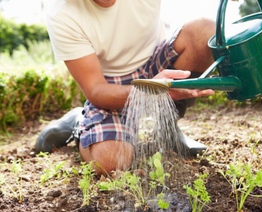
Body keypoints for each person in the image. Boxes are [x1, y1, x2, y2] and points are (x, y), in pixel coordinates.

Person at [36, 0, 218, 176]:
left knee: (204, 31)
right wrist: (149, 90)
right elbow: (96, 89)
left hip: (154, 62)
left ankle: (166, 128)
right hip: (110, 86)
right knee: (111, 162)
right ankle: (81, 124)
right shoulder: (63, 13)